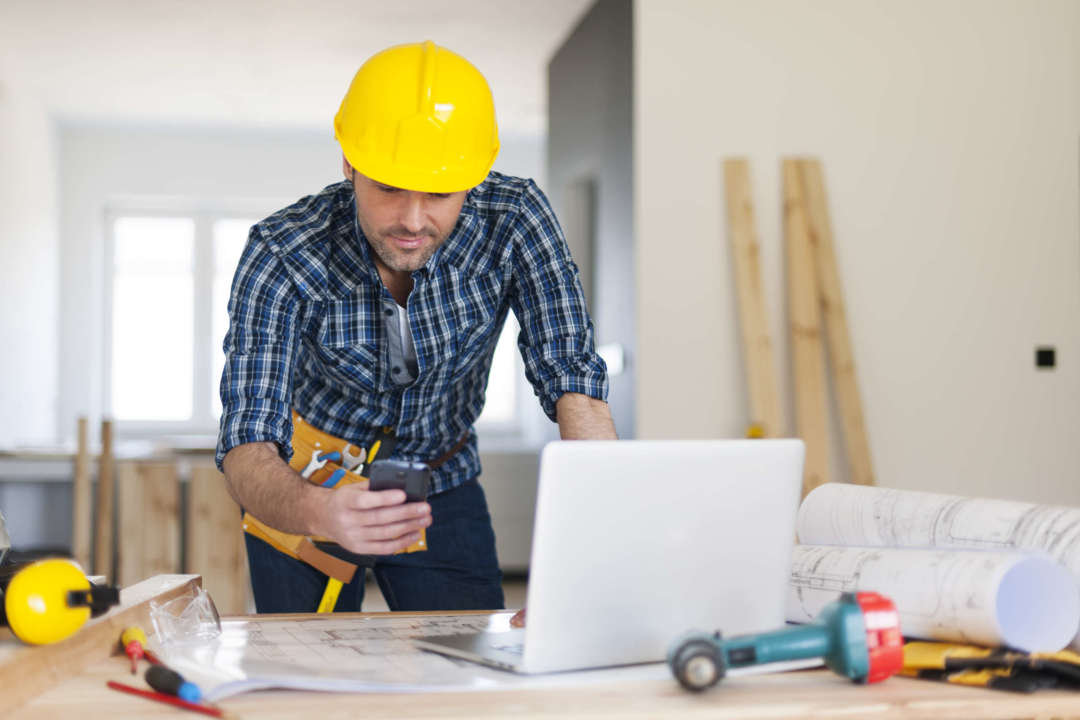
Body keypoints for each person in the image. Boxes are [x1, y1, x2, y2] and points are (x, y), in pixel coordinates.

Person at [216, 40, 616, 615]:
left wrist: (594, 550)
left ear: (473, 178)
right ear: (349, 163)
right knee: (301, 675)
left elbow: (572, 374)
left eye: (438, 194)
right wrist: (316, 509)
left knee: (468, 675)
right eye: (387, 187)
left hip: (442, 477)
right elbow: (246, 439)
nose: (411, 220)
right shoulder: (282, 250)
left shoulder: (516, 219)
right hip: (308, 478)